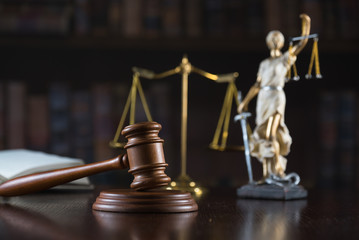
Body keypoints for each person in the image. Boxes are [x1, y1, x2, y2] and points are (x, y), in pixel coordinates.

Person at [237, 14, 311, 181]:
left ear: (282, 42)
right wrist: (245, 103)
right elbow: (257, 85)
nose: (275, 41)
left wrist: (306, 28)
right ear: (268, 42)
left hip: (276, 97)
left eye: (278, 38)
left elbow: (301, 44)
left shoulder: (285, 59)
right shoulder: (264, 64)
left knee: (271, 134)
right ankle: (265, 175)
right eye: (273, 38)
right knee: (262, 137)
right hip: (263, 98)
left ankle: (278, 171)